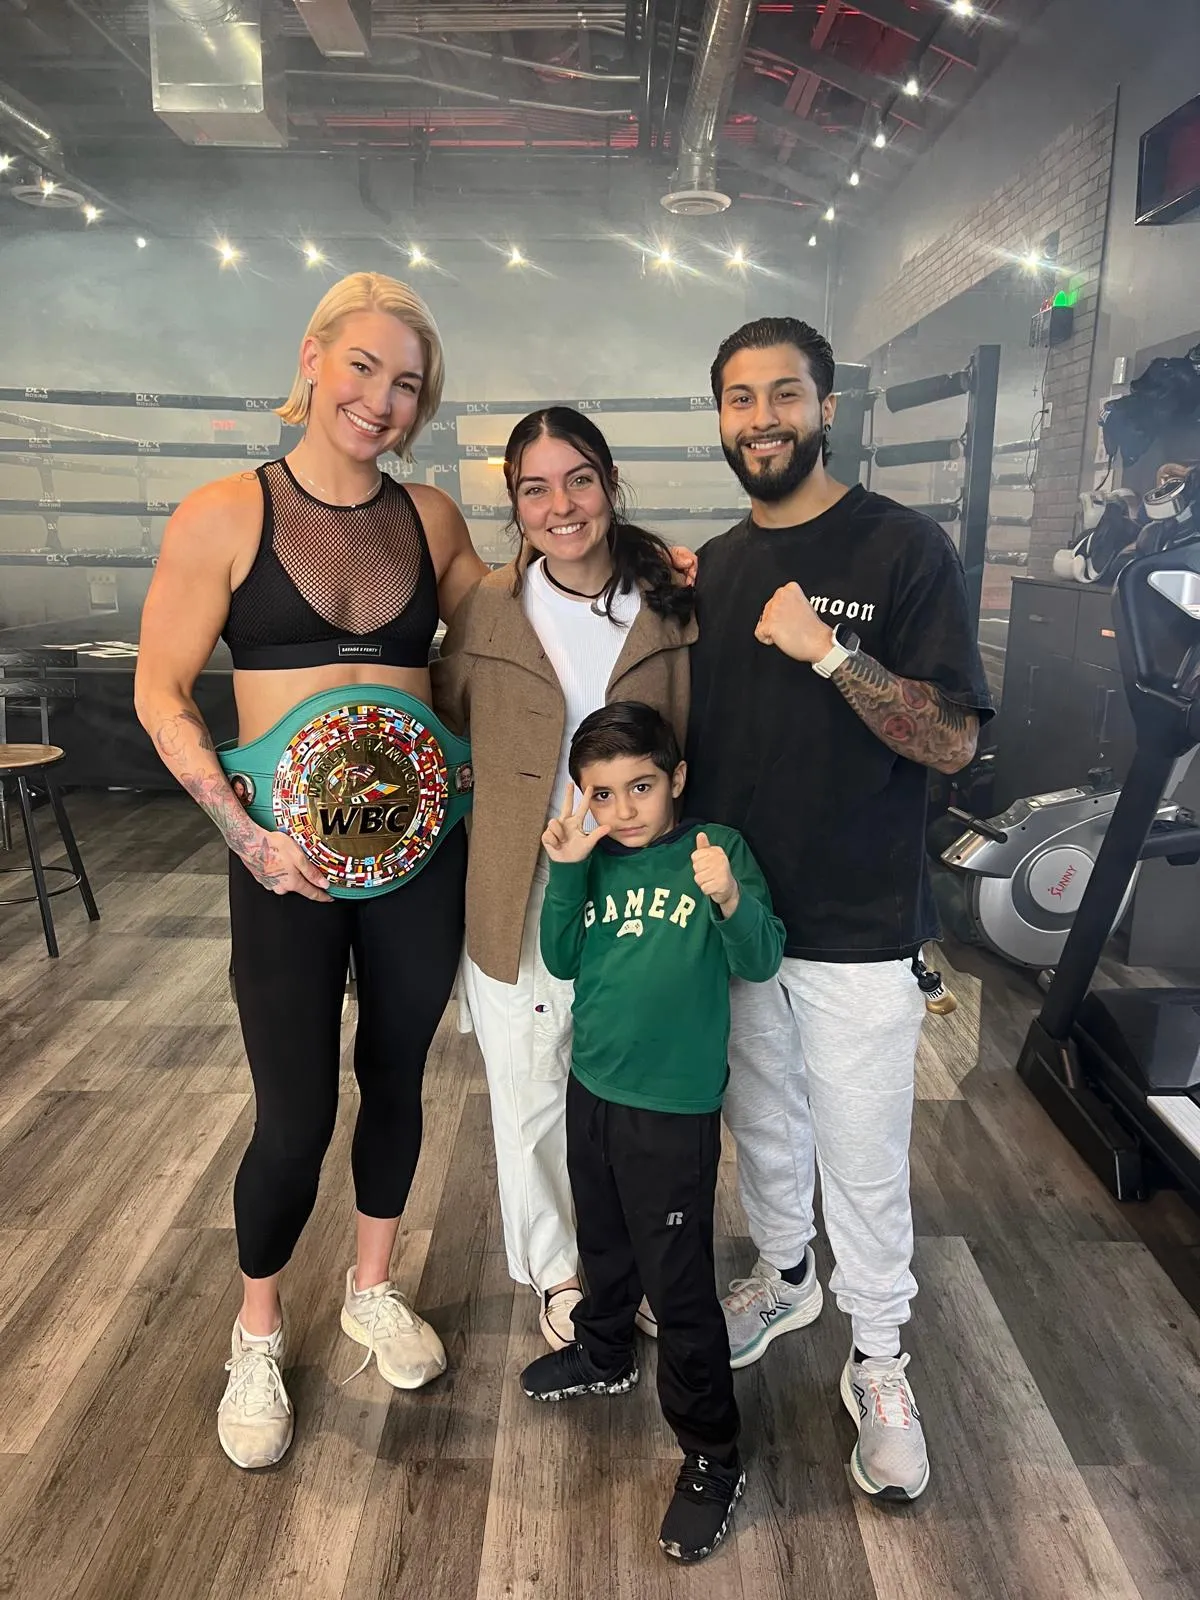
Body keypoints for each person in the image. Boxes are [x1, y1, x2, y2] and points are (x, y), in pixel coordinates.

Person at [135, 271, 489, 1469]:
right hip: (280, 863)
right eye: (364, 368)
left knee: (397, 1080)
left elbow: (512, 628)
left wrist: (638, 567)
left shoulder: (432, 517)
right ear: (312, 358)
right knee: (293, 1116)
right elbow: (159, 690)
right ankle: (258, 1329)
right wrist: (244, 836)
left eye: (408, 385)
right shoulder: (226, 512)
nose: (382, 401)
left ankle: (370, 1290)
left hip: (419, 858)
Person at [685, 316, 994, 1502]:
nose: (761, 418)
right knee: (764, 1119)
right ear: (721, 416)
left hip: (861, 916)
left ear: (826, 407)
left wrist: (828, 654)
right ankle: (784, 1275)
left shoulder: (903, 548)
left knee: (863, 1153)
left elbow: (953, 739)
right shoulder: (715, 568)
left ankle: (880, 1357)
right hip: (742, 910)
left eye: (784, 394)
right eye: (739, 397)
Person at [432, 409, 696, 1350]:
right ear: (513, 503)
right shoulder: (488, 612)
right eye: (534, 488)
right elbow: (447, 728)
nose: (561, 505)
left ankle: (642, 1262)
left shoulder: (671, 604)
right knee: (531, 1089)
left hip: (645, 891)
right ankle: (560, 1271)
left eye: (579, 479)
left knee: (641, 1096)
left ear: (610, 483)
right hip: (526, 887)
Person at [519, 702, 784, 1563]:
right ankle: (603, 1353)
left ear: (676, 779)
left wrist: (730, 897)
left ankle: (711, 1453)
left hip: (673, 1110)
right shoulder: (591, 858)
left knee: (677, 1287)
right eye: (602, 794)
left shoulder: (715, 850)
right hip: (592, 1086)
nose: (624, 809)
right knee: (601, 1238)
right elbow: (561, 959)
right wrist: (566, 870)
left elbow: (761, 959)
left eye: (641, 786)